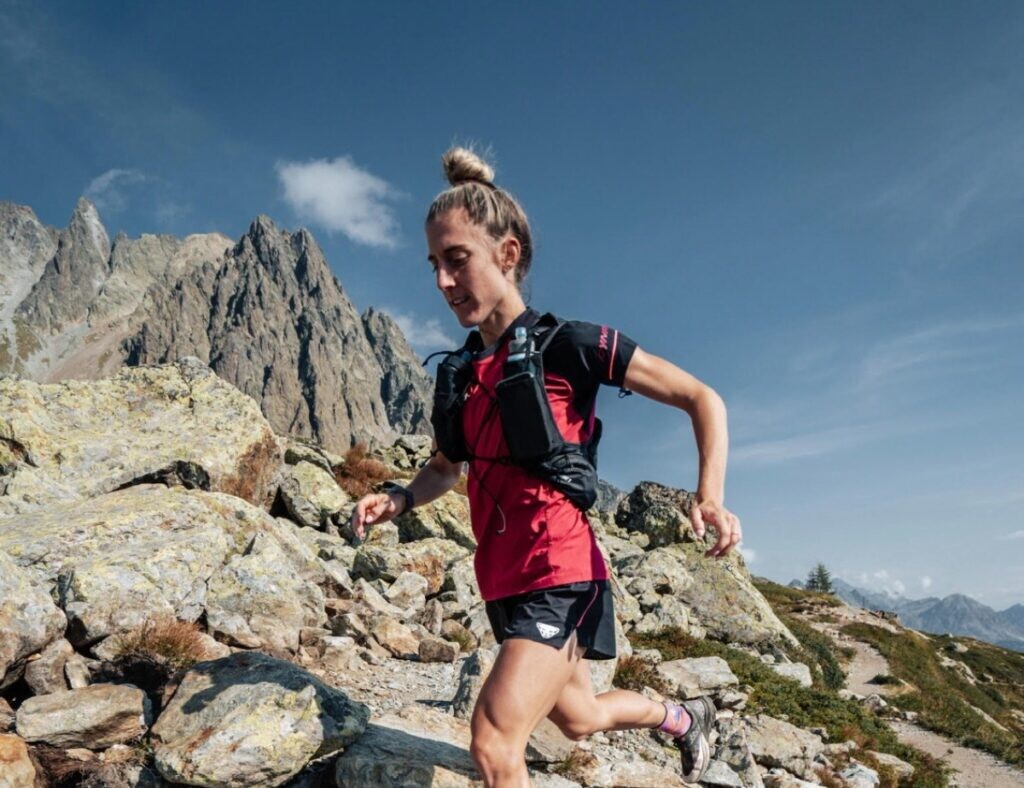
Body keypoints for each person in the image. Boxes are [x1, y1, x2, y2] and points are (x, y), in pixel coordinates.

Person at [351, 147, 741, 787]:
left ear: (507, 254)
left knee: (494, 739)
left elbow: (703, 399)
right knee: (580, 718)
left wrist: (710, 495)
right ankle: (684, 717)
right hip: (502, 578)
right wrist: (400, 497)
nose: (443, 282)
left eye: (457, 259)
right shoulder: (461, 375)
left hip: (560, 571)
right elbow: (445, 468)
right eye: (434, 265)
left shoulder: (571, 346)